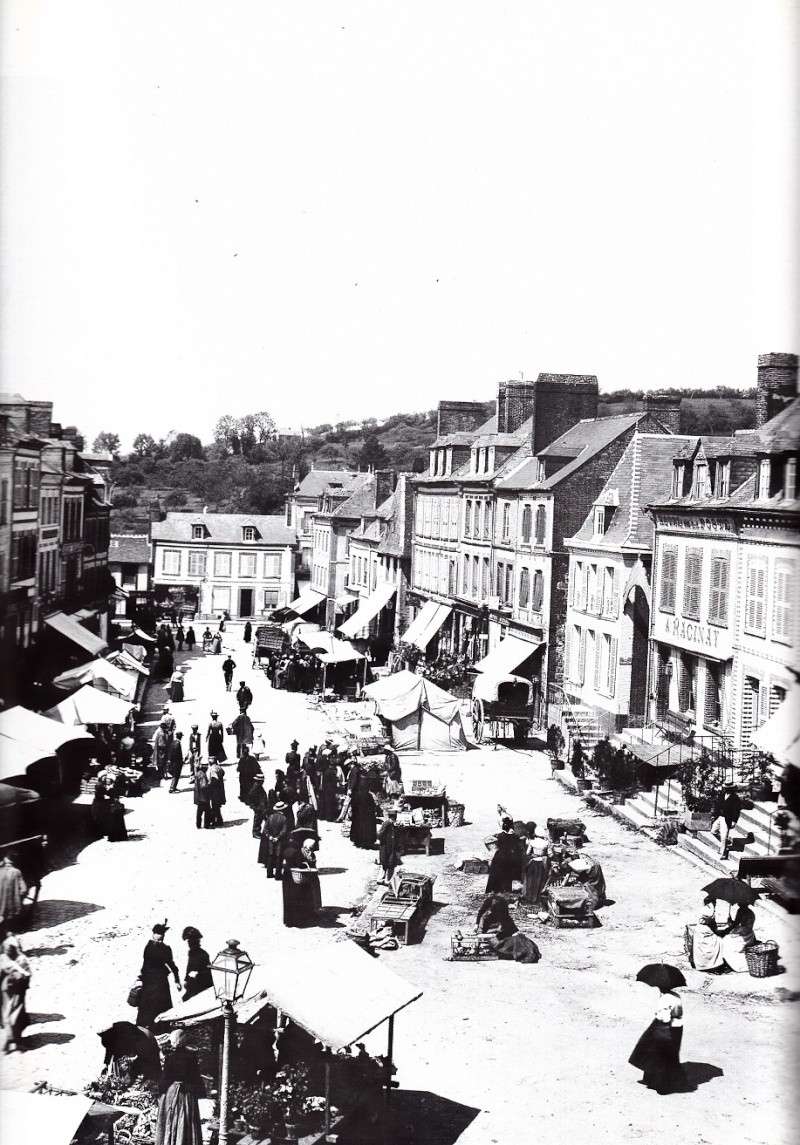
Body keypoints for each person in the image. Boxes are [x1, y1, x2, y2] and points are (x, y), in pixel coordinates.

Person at [629, 984, 687, 1095]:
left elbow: (664, 1017)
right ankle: (669, 1081)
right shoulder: (676, 996)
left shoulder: (665, 998)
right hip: (677, 1028)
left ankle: (660, 1084)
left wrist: (658, 1016)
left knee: (656, 1053)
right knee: (671, 1055)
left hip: (664, 1027)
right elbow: (677, 1012)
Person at [155, 1029, 204, 1145]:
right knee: (187, 1119)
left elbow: (165, 1078)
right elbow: (196, 1077)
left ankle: (173, 1141)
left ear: (174, 1040)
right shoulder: (192, 1057)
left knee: (172, 1119)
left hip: (173, 1093)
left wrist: (161, 1092)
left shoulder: (170, 1057)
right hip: (187, 1093)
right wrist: (197, 1091)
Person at [136, 923, 180, 1030]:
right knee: (153, 1004)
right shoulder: (156, 948)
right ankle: (152, 1026)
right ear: (154, 934)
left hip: (156, 981)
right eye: (158, 934)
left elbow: (170, 964)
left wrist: (177, 979)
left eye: (161, 935)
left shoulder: (155, 947)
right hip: (154, 981)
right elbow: (147, 964)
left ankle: (153, 1026)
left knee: (152, 1004)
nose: (159, 937)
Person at [475, 895, 541, 963]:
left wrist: (514, 932)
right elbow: (480, 934)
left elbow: (510, 925)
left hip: (503, 937)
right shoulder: (486, 917)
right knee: (517, 941)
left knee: (521, 938)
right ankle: (522, 954)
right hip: (495, 940)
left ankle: (527, 952)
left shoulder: (502, 915)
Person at [0, 935, 31, 1053]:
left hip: (15, 991)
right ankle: (11, 1041)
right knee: (10, 1016)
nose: (9, 950)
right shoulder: (4, 959)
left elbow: (27, 974)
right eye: (7, 948)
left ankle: (13, 1041)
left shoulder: (20, 959)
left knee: (14, 1016)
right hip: (8, 992)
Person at [281, 838, 318, 927]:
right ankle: (298, 920)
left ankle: (288, 921)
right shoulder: (297, 853)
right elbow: (300, 865)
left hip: (286, 878)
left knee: (287, 900)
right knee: (296, 899)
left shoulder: (286, 851)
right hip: (295, 879)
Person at [485, 818, 523, 894]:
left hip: (500, 856)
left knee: (497, 873)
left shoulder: (500, 836)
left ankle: (496, 889)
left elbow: (497, 844)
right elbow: (518, 848)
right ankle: (507, 889)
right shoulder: (515, 837)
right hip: (510, 857)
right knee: (508, 874)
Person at [711, 782, 744, 859]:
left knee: (723, 836)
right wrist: (714, 815)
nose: (727, 789)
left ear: (732, 789)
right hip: (719, 817)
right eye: (726, 788)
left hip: (727, 819)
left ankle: (723, 854)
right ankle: (726, 842)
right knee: (713, 831)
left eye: (729, 788)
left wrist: (734, 821)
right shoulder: (722, 795)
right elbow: (717, 806)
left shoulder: (735, 798)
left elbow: (737, 811)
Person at [721, 904, 757, 972]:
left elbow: (735, 924)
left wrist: (727, 928)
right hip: (750, 933)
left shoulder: (741, 911)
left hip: (744, 933)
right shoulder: (750, 912)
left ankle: (728, 963)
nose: (737, 904)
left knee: (726, 941)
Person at [260, 799, 290, 879]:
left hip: (270, 840)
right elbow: (284, 830)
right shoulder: (284, 818)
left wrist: (269, 836)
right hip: (279, 841)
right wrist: (278, 837)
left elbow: (265, 829)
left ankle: (269, 873)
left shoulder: (270, 817)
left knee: (270, 856)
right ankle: (278, 875)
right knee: (279, 857)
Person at [521, 827, 552, 905]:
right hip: (541, 862)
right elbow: (550, 854)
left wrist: (533, 854)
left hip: (533, 862)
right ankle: (537, 898)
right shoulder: (546, 843)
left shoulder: (532, 841)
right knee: (539, 880)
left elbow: (528, 853)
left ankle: (529, 897)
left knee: (530, 880)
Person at [690, 903, 725, 972]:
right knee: (720, 942)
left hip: (702, 931)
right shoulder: (709, 910)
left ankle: (708, 963)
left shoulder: (707, 908)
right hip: (704, 931)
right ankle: (713, 964)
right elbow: (710, 922)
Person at [0, 856, 27, 938]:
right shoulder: (17, 872)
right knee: (9, 922)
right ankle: (8, 935)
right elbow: (23, 889)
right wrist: (19, 897)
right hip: (11, 905)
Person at [181, 927, 212, 1000]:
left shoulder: (203, 954)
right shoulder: (192, 953)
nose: (188, 943)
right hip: (193, 985)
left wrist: (198, 973)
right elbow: (189, 968)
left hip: (201, 986)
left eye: (190, 940)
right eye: (188, 941)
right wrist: (186, 979)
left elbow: (208, 972)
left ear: (196, 941)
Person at [350, 771, 377, 849]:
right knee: (366, 826)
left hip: (358, 812)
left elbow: (353, 804)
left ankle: (358, 841)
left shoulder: (357, 793)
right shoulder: (369, 796)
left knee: (358, 825)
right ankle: (366, 841)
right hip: (367, 813)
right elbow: (372, 806)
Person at [378, 811, 401, 884]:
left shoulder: (391, 824)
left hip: (390, 847)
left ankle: (384, 879)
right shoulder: (387, 823)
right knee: (386, 863)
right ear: (394, 817)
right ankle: (384, 880)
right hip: (385, 846)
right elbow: (380, 834)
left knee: (389, 863)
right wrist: (384, 842)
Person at [247, 773, 268, 838]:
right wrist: (254, 807)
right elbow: (250, 798)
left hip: (261, 806)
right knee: (257, 820)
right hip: (258, 807)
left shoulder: (258, 786)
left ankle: (258, 832)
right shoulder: (255, 787)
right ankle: (255, 832)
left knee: (261, 819)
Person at [207, 760, 226, 827]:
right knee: (217, 806)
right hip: (220, 789)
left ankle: (214, 821)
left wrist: (209, 786)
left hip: (214, 791)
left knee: (214, 806)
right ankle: (219, 820)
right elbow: (223, 773)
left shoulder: (212, 769)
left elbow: (214, 780)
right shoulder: (219, 767)